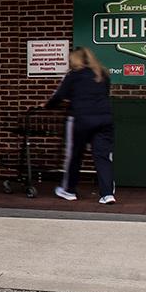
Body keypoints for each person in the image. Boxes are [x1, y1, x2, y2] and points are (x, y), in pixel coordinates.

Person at [45, 46, 116, 204]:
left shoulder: (73, 75)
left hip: (81, 119)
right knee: (103, 157)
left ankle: (69, 190)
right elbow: (104, 94)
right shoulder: (102, 74)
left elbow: (59, 96)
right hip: (104, 119)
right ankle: (107, 194)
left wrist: (47, 106)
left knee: (74, 155)